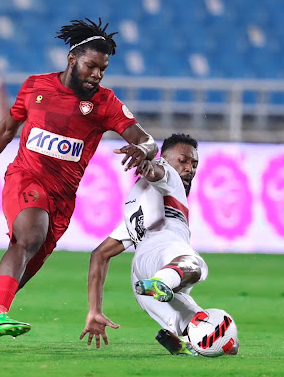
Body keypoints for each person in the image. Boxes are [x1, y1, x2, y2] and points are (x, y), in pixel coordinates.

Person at [0, 18, 158, 344]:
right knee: (28, 237)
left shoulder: (105, 104)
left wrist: (143, 149)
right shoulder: (36, 87)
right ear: (72, 59)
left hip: (62, 201)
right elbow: (6, 130)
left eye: (102, 70)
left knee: (10, 282)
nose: (97, 75)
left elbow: (147, 139)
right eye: (91, 66)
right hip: (25, 178)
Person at [80, 133, 237, 356]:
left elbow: (99, 255)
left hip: (141, 272)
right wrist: (146, 161)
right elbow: (156, 171)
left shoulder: (135, 205)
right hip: (167, 250)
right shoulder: (168, 175)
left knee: (224, 341)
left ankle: (188, 340)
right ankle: (163, 281)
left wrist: (94, 310)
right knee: (196, 266)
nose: (189, 169)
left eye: (194, 164)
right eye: (183, 160)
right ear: (165, 159)